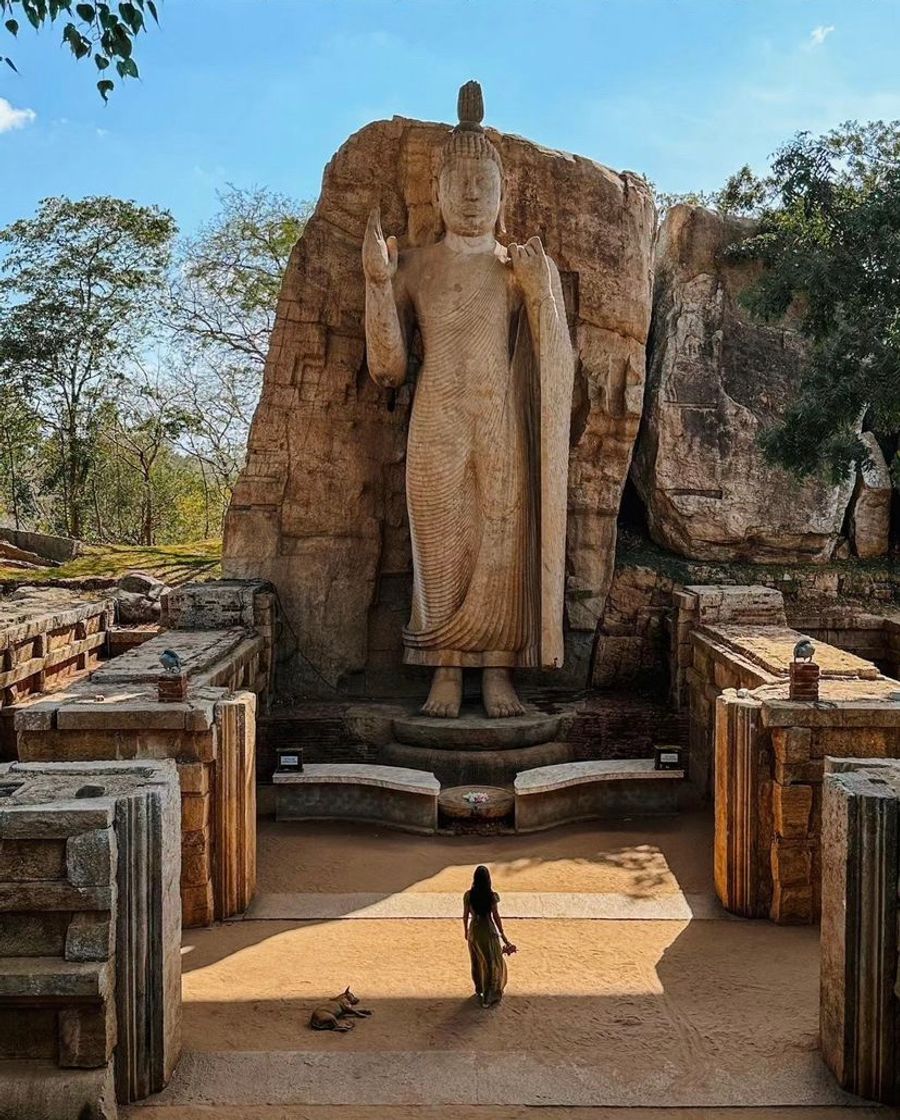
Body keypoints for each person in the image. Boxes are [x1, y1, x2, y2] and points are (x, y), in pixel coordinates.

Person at [362, 80, 574, 720]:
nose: (474, 194)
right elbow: (388, 368)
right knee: (438, 541)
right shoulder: (417, 265)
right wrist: (377, 283)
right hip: (436, 417)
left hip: (501, 418)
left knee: (502, 539)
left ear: (504, 192)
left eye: (486, 182)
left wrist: (540, 294)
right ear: (439, 190)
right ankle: (445, 670)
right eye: (461, 183)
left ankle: (499, 671)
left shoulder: (520, 266)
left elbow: (557, 362)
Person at [463, 865, 516, 1007]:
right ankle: (489, 996)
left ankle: (479, 989)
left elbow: (465, 915)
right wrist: (503, 935)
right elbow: (496, 916)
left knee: (477, 961)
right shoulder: (491, 896)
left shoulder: (468, 895)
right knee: (492, 963)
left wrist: (466, 931)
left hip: (474, 930)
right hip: (487, 930)